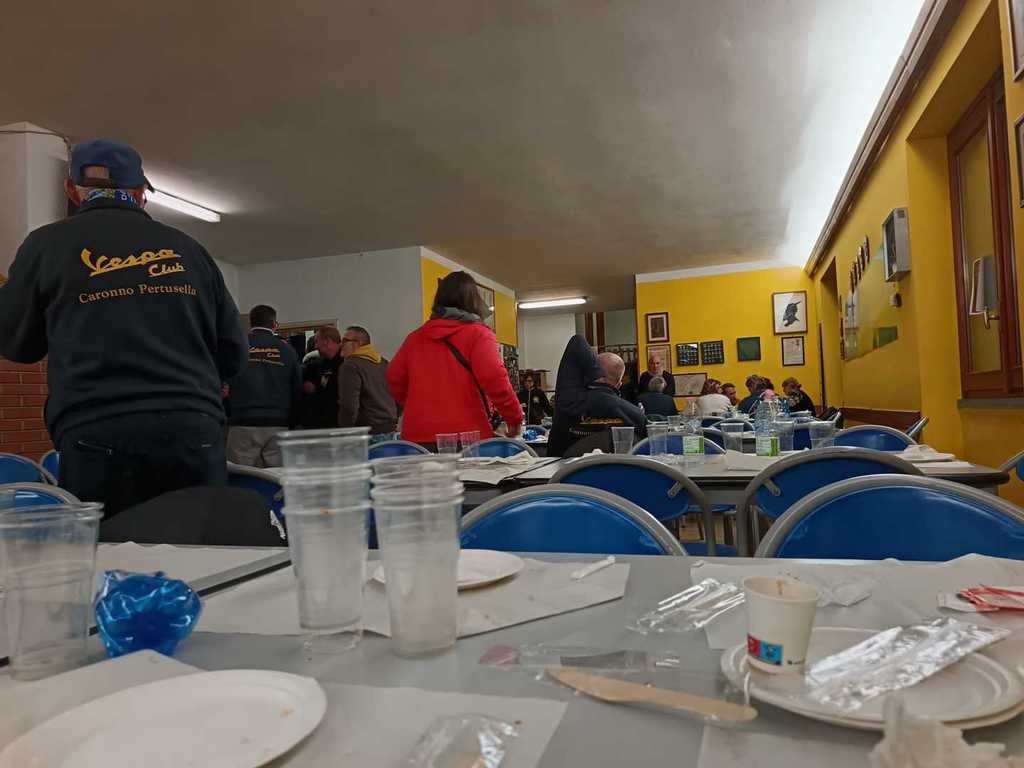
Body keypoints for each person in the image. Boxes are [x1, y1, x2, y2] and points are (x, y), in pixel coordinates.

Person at [0, 139, 247, 515]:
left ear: (71, 190)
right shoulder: (189, 249)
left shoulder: (45, 245)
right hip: (191, 426)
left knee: (110, 546)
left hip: (97, 430)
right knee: (201, 540)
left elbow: (16, 344)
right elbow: (234, 353)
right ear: (141, 191)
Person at [387, 271, 521, 445]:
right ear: (473, 300)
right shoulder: (478, 334)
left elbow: (393, 377)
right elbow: (495, 379)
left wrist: (417, 404)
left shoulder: (415, 338)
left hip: (417, 437)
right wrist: (514, 418)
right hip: (467, 436)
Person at [225, 305, 302, 467]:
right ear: (274, 324)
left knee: (241, 475)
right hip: (277, 423)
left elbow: (224, 379)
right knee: (275, 476)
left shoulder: (238, 347)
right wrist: (292, 421)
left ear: (251, 322)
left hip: (242, 422)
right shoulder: (287, 351)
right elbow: (296, 389)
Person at [337, 325, 398, 436]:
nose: (341, 344)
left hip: (368, 433)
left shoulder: (350, 365)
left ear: (358, 343)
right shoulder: (383, 363)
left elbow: (349, 406)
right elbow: (398, 394)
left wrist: (345, 432)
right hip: (390, 430)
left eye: (345, 341)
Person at [302, 326, 344, 428]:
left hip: (340, 424)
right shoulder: (318, 364)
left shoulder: (346, 364)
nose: (315, 346)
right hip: (322, 423)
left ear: (327, 341)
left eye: (317, 342)